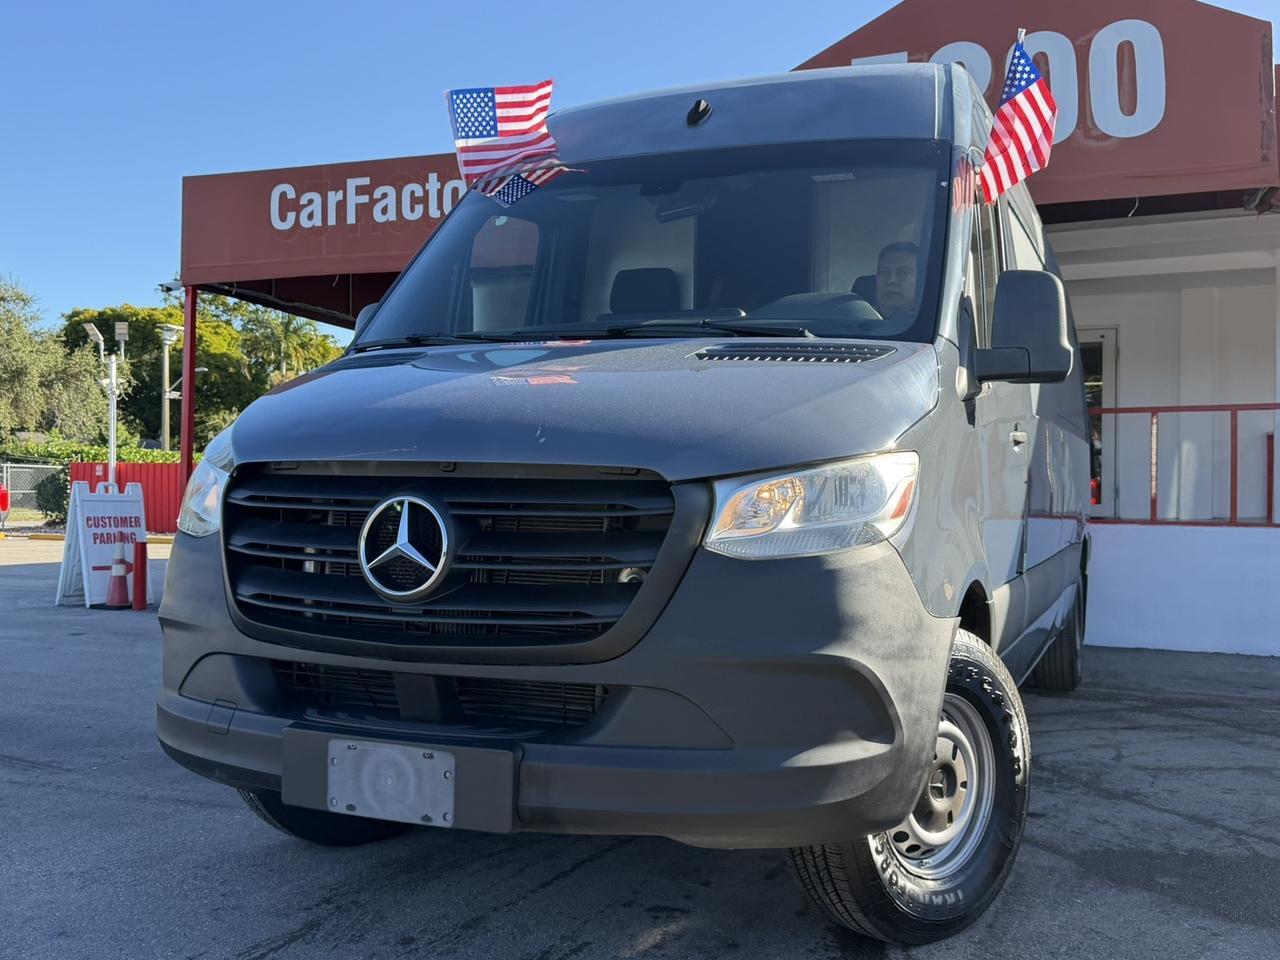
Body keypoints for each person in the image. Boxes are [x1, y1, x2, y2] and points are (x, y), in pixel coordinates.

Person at [871, 241, 919, 321]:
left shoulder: (935, 324)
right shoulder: (855, 322)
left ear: (920, 281)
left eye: (903, 273)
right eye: (884, 272)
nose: (891, 280)